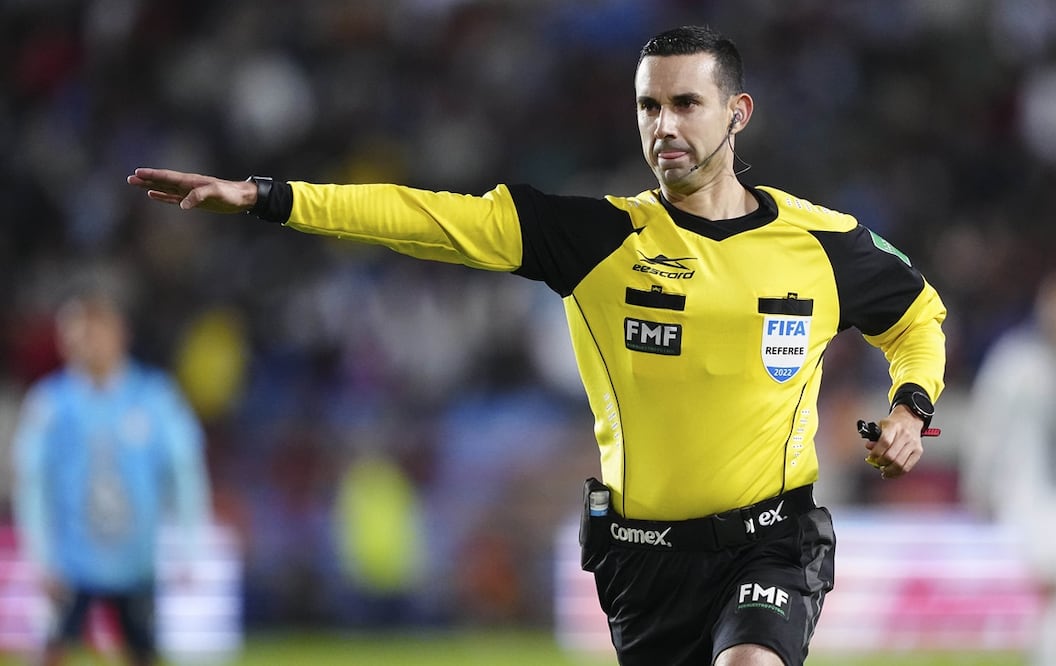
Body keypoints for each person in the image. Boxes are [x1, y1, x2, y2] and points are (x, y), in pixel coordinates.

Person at [127, 25, 946, 666]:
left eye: (686, 105)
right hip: (643, 559)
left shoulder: (823, 244)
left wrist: (911, 405)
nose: (663, 127)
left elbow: (917, 318)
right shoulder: (596, 236)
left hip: (774, 537)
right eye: (648, 107)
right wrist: (271, 197)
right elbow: (426, 218)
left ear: (738, 112)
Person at [11, 287, 212, 666]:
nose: (82, 343)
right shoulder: (50, 403)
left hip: (134, 562)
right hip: (70, 563)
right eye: (72, 334)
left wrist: (189, 545)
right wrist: (40, 557)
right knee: (49, 652)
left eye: (91, 332)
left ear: (119, 333)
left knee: (143, 653)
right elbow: (31, 483)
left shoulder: (155, 398)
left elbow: (186, 472)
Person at [964, 269, 1056, 666]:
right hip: (1030, 491)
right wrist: (980, 482)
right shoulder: (1016, 361)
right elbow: (985, 424)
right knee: (1045, 581)